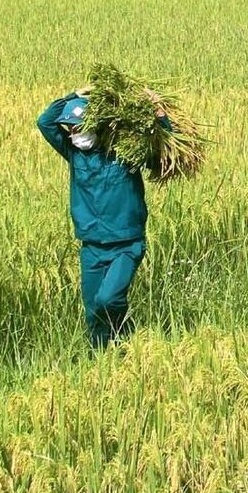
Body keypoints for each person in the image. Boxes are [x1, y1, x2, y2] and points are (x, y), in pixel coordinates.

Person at [37, 90, 165, 349]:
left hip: (125, 244)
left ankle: (126, 335)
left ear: (96, 126)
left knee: (108, 299)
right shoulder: (74, 153)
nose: (74, 134)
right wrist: (74, 94)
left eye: (79, 128)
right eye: (71, 129)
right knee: (93, 311)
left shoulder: (126, 153)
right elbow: (45, 122)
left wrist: (159, 114)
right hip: (91, 245)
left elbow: (162, 155)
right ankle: (101, 359)